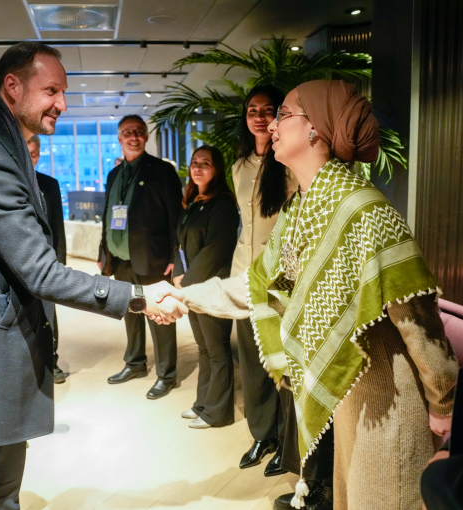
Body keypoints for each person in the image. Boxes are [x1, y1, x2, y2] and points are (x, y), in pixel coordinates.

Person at [156, 80, 459, 509]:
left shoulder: (364, 210)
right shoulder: (303, 209)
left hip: (390, 406)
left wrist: (443, 407)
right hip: (350, 401)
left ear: (315, 128)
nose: (272, 125)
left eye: (284, 114)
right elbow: (256, 284)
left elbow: (419, 326)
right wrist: (182, 297)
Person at [0, 41, 187, 510]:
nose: (62, 105)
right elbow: (42, 273)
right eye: (52, 91)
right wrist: (140, 296)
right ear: (12, 85)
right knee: (0, 482)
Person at [231, 85, 299, 476]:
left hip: (278, 276)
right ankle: (262, 433)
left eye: (267, 110)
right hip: (243, 270)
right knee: (251, 360)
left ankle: (287, 440)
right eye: (252, 110)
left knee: (282, 361)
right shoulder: (239, 166)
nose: (258, 116)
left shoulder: (287, 165)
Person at [99, 114, 183, 399]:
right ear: (120, 138)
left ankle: (166, 374)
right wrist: (104, 253)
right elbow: (109, 216)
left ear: (146, 137)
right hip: (121, 259)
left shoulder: (162, 171)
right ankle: (134, 363)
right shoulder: (114, 174)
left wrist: (175, 256)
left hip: (153, 258)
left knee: (160, 316)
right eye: (127, 132)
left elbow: (176, 217)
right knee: (129, 314)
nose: (133, 136)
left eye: (138, 132)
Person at [173, 146, 239, 429]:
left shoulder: (222, 203)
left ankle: (218, 413)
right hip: (191, 286)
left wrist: (186, 283)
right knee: (203, 349)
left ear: (217, 169)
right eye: (194, 163)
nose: (198, 168)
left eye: (205, 163)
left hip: (212, 286)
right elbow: (180, 243)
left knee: (217, 348)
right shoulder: (194, 201)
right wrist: (178, 274)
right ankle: (202, 404)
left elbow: (217, 249)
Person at [27, 134, 67, 384]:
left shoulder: (50, 185)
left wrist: (60, 263)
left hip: (46, 262)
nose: (31, 157)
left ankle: (52, 359)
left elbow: (57, 227)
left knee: (48, 312)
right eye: (26, 151)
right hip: (17, 261)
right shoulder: (5, 183)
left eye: (34, 153)